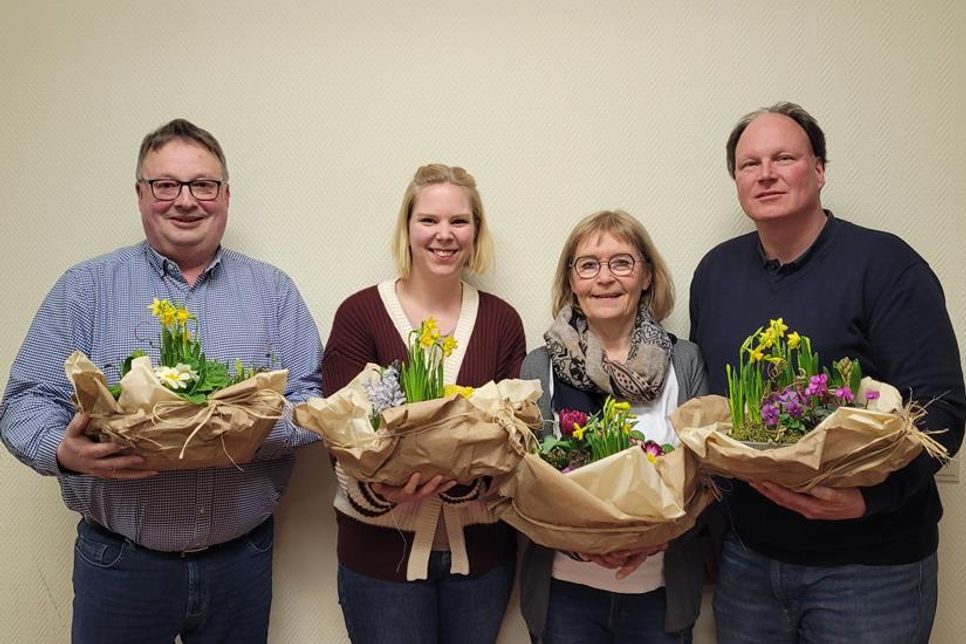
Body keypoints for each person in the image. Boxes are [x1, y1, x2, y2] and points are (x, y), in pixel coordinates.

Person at [0, 118, 323, 643]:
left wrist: (246, 430)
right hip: (120, 565)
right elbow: (26, 401)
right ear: (140, 194)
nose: (185, 200)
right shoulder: (87, 287)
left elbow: (311, 401)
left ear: (225, 194)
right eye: (166, 185)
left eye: (202, 184)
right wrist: (64, 453)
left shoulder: (272, 292)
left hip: (240, 562)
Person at [689, 102, 966, 643]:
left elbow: (942, 411)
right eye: (749, 164)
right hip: (749, 565)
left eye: (784, 157)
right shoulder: (715, 273)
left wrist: (871, 501)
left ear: (818, 171)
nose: (765, 173)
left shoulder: (886, 266)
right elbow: (721, 416)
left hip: (869, 569)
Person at [320, 164, 526, 644]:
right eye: (429, 220)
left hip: (481, 559)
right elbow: (339, 431)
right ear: (407, 227)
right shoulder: (360, 315)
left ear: (476, 232)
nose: (444, 235)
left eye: (459, 221)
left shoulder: (500, 321)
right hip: (379, 557)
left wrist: (463, 478)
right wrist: (383, 490)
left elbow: (515, 432)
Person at [520, 209, 710, 644]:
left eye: (621, 262)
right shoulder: (539, 366)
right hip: (564, 594)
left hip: (660, 595)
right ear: (572, 281)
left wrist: (654, 539)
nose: (604, 278)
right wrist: (576, 541)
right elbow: (521, 479)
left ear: (646, 276)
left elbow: (706, 477)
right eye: (588, 264)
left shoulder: (685, 361)